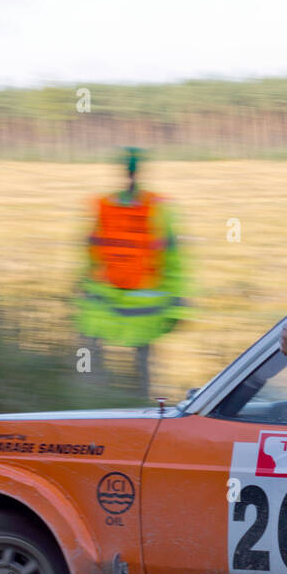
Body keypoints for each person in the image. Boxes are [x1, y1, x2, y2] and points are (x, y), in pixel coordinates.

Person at [76, 148, 188, 397]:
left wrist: (82, 287)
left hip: (104, 300)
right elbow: (174, 258)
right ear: (141, 171)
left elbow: (90, 250)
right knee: (143, 366)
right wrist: (180, 301)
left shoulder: (104, 206)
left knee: (93, 365)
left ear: (123, 171)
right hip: (143, 304)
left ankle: (94, 406)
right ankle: (139, 409)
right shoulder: (158, 208)